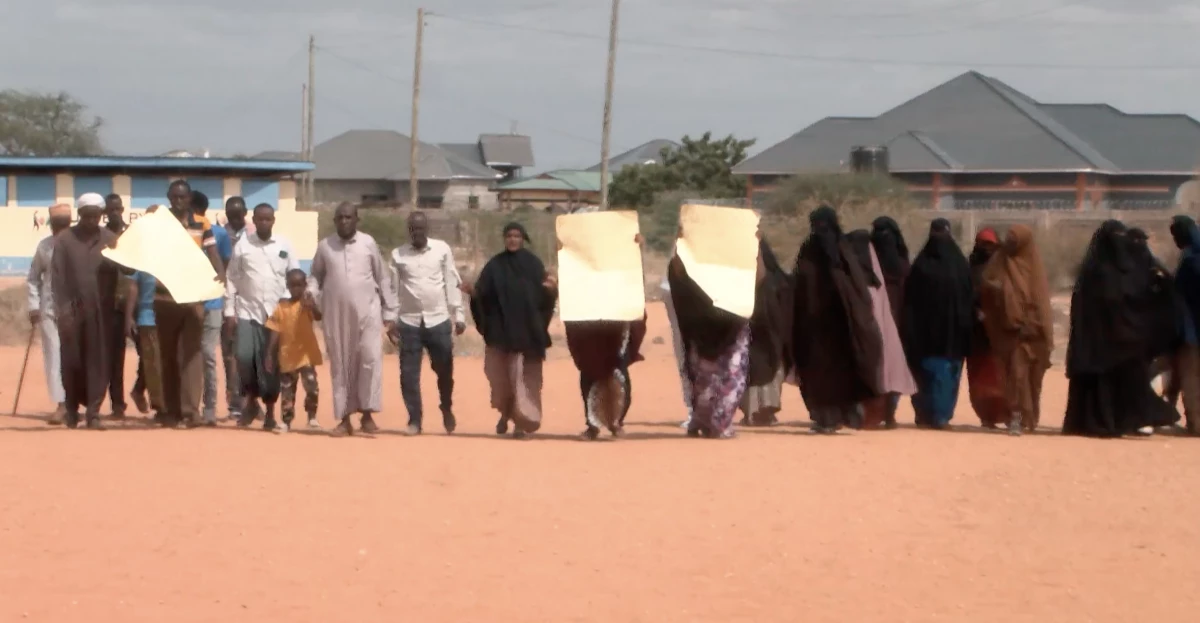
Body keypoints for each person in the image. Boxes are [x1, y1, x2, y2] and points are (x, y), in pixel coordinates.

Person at [1064, 220, 1182, 437]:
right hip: (1103, 340)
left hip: (1119, 341)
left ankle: (1121, 422)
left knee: (1122, 382)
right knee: (1102, 384)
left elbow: (1142, 299)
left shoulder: (1122, 271)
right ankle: (1102, 423)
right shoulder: (1095, 273)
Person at [792, 206, 883, 434]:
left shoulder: (831, 250)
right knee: (827, 372)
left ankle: (839, 414)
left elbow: (855, 289)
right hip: (821, 327)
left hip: (836, 327)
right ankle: (830, 416)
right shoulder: (832, 249)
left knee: (832, 372)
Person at [309, 203, 398, 437]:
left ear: (357, 220)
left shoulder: (368, 243)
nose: (344, 222)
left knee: (370, 359)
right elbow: (315, 276)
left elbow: (383, 277)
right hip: (336, 316)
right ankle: (345, 419)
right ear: (335, 221)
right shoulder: (325, 246)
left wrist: (390, 313)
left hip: (369, 312)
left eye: (348, 217)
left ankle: (367, 414)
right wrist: (311, 293)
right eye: (339, 218)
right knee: (341, 365)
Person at [464, 222, 558, 439]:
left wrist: (551, 290)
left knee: (522, 378)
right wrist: (473, 293)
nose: (512, 240)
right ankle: (506, 413)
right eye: (509, 236)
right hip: (502, 334)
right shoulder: (495, 265)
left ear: (523, 238)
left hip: (527, 334)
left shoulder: (533, 264)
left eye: (516, 236)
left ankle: (520, 422)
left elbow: (545, 297)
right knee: (501, 379)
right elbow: (483, 294)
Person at [565, 233, 649, 440]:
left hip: (616, 326)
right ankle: (592, 425)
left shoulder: (618, 266)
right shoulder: (582, 265)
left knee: (617, 373)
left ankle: (616, 421)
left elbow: (634, 279)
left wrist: (638, 251)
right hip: (589, 328)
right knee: (590, 372)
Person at [388, 211, 465, 436]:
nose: (417, 233)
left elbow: (451, 282)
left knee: (444, 370)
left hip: (438, 320)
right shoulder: (398, 255)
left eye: (420, 229)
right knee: (408, 374)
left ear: (427, 229)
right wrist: (391, 321)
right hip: (409, 322)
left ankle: (446, 407)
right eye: (413, 229)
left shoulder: (442, 250)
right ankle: (414, 419)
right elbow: (393, 290)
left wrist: (458, 314)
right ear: (408, 230)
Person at [156, 180, 225, 428]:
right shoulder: (160, 223)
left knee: (192, 354)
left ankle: (189, 411)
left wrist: (220, 276)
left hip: (194, 296)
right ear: (168, 197)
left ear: (189, 198)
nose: (178, 201)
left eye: (182, 197)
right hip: (164, 295)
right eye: (174, 196)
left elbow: (213, 253)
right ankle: (169, 409)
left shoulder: (201, 223)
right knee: (167, 355)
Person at [225, 204, 298, 431]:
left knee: (271, 366)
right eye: (260, 219)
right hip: (248, 312)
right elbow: (232, 278)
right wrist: (230, 311)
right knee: (244, 357)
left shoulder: (284, 245)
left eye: (268, 219)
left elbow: (294, 275)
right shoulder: (243, 246)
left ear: (273, 220)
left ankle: (270, 413)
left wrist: (291, 305)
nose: (264, 223)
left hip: (277, 316)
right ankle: (251, 401)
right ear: (253, 221)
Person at [51, 193, 119, 429]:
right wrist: (62, 310)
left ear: (101, 215)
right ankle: (71, 409)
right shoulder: (64, 241)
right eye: (87, 216)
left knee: (98, 361)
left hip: (101, 311)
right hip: (72, 310)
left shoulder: (110, 239)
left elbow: (127, 272)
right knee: (72, 361)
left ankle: (94, 412)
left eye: (95, 216)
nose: (91, 221)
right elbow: (57, 278)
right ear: (79, 215)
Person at [667, 246, 750, 439]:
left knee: (707, 374)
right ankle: (717, 423)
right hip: (716, 322)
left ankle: (705, 421)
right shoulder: (697, 253)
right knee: (725, 374)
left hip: (712, 324)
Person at [979, 224, 1053, 436]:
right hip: (1008, 331)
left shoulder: (1034, 267)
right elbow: (987, 283)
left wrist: (1040, 329)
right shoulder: (999, 261)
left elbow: (1041, 301)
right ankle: (1015, 417)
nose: (1010, 243)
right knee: (1014, 377)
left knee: (1032, 380)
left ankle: (1029, 418)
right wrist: (1001, 292)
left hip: (1033, 332)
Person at [901, 218, 973, 430]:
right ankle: (936, 415)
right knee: (940, 376)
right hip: (949, 334)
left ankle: (933, 415)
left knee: (936, 375)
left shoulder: (922, 265)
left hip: (931, 334)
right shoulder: (959, 265)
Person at [847, 229, 916, 430]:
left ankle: (865, 415)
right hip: (890, 328)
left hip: (865, 333)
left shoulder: (852, 277)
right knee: (887, 367)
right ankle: (886, 415)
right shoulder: (879, 278)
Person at [739, 237, 793, 427]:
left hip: (762, 338)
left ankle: (755, 412)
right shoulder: (778, 280)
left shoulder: (770, 282)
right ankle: (763, 412)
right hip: (766, 338)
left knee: (757, 370)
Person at [27, 203, 72, 425]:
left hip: (76, 311)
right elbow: (33, 278)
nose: (60, 229)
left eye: (65, 224)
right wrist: (33, 306)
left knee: (75, 358)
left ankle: (75, 403)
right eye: (57, 225)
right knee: (53, 357)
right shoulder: (44, 247)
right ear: (51, 224)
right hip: (49, 310)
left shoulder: (78, 245)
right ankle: (61, 405)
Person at [192, 190, 234, 426]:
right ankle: (190, 405)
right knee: (192, 356)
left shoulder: (217, 233)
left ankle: (209, 407)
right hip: (189, 301)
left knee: (207, 354)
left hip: (212, 302)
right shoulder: (183, 232)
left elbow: (224, 262)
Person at [266, 269, 323, 433]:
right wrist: (269, 354)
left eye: (299, 285)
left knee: (312, 387)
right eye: (292, 285)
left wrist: (313, 306)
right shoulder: (281, 307)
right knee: (287, 392)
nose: (296, 289)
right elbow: (275, 331)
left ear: (305, 285)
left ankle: (312, 418)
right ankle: (286, 421)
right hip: (287, 356)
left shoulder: (306, 305)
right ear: (287, 286)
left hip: (306, 355)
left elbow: (319, 317)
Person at [869, 216, 912, 427]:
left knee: (884, 365)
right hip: (891, 322)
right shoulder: (902, 263)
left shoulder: (867, 261)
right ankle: (887, 413)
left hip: (887, 322)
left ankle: (883, 412)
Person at [965, 228, 1008, 429]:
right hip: (976, 331)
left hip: (999, 331)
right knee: (980, 374)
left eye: (991, 246)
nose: (987, 250)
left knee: (1000, 374)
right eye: (984, 245)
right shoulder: (969, 268)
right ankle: (986, 415)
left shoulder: (1004, 268)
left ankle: (1003, 413)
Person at [1167, 215, 1200, 433]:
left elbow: (1178, 294)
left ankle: (1197, 424)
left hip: (1191, 332)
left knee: (1191, 378)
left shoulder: (1189, 261)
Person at [221, 196, 252, 420]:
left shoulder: (255, 234)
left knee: (249, 355)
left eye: (238, 215)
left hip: (251, 301)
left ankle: (251, 402)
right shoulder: (221, 235)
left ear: (245, 213)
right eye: (230, 215)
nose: (234, 219)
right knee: (230, 354)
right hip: (227, 300)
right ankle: (234, 403)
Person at [660, 242, 695, 429]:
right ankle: (693, 410)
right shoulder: (676, 259)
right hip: (685, 331)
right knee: (687, 365)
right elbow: (667, 294)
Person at [124, 270, 165, 421]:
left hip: (167, 317)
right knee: (152, 363)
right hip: (147, 318)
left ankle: (139, 389)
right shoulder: (143, 259)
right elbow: (133, 287)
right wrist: (128, 318)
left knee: (156, 362)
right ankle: (160, 407)